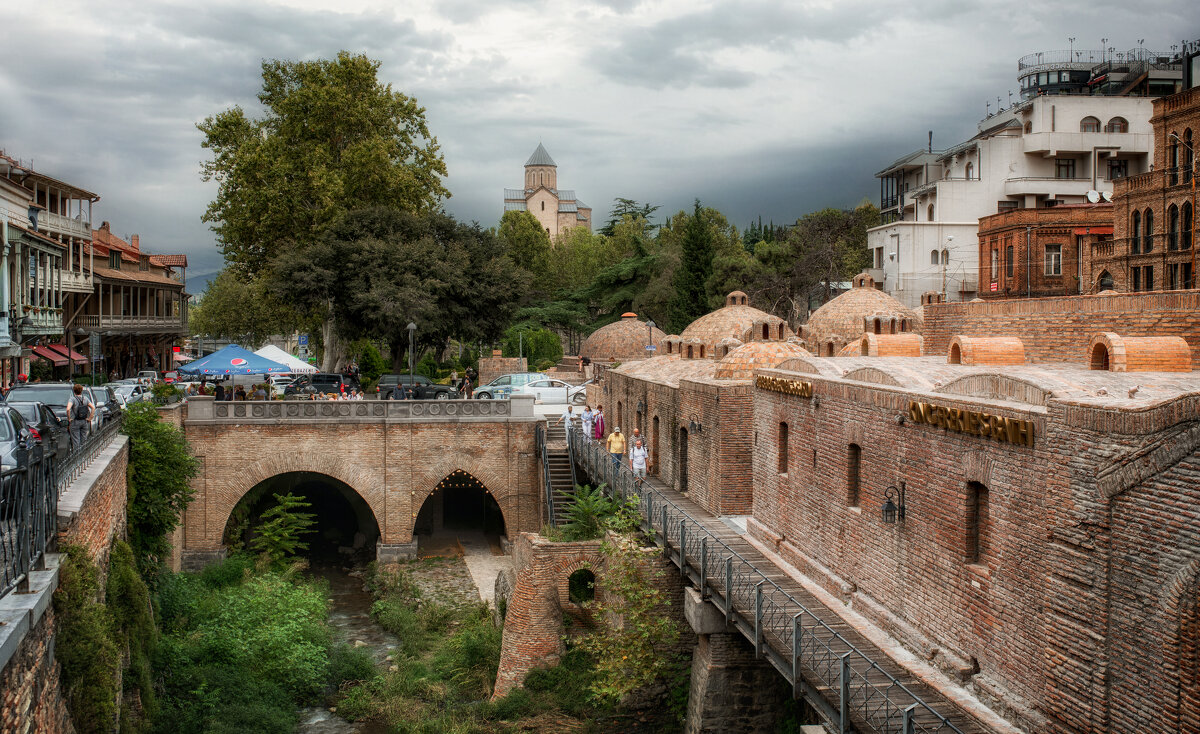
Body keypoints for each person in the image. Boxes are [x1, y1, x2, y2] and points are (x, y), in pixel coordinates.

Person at [66, 384, 93, 449]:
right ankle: (84, 456)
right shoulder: (85, 398)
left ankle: (77, 456)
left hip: (75, 421)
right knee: (84, 440)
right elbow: (93, 408)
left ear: (74, 391)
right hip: (84, 421)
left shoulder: (72, 399)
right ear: (81, 390)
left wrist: (69, 418)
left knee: (76, 440)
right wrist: (90, 418)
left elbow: (68, 409)